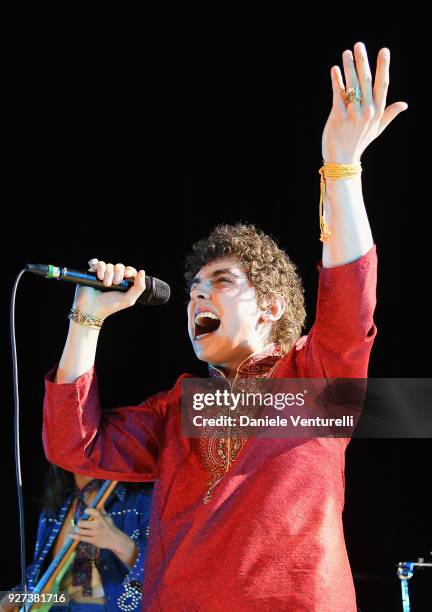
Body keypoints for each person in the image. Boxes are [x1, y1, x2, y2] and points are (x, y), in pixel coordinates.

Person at [41, 42, 407, 611]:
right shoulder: (179, 407)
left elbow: (351, 291)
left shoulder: (313, 378)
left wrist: (341, 166)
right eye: (193, 291)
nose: (198, 297)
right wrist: (87, 318)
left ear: (272, 309)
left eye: (221, 281)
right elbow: (72, 444)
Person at [1, 466, 152, 611]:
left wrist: (119, 542)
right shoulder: (55, 510)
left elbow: (165, 580)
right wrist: (16, 596)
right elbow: (54, 594)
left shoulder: (143, 500)